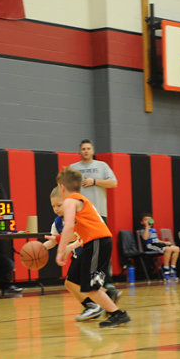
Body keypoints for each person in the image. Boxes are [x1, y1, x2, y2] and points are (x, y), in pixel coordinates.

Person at [55, 168, 130, 328]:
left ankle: (117, 314)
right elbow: (77, 231)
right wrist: (61, 241)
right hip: (95, 243)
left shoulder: (69, 201)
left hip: (97, 242)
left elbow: (68, 227)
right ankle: (107, 296)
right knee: (72, 281)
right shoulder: (80, 200)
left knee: (90, 286)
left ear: (62, 187)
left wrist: (60, 251)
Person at [68, 139, 120, 295]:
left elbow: (114, 183)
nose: (86, 151)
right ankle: (83, 279)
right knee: (82, 248)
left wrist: (95, 181)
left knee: (102, 250)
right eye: (83, 148)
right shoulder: (73, 168)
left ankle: (107, 280)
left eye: (88, 148)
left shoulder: (102, 166)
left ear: (92, 151)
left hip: (99, 214)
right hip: (80, 216)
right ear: (79, 151)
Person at [42, 187, 100, 320]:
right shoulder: (57, 222)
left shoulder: (78, 216)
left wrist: (70, 246)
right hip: (78, 255)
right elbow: (54, 240)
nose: (56, 209)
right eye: (53, 206)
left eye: (59, 205)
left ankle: (96, 306)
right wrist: (41, 248)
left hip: (90, 251)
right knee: (71, 284)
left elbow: (84, 235)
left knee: (85, 284)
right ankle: (98, 303)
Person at [138, 212, 180, 280]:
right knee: (168, 249)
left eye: (149, 219)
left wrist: (164, 242)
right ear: (142, 222)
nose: (148, 221)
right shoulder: (143, 230)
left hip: (157, 244)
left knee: (176, 249)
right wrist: (147, 227)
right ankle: (166, 270)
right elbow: (145, 238)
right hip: (150, 245)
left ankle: (172, 269)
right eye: (146, 220)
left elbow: (156, 240)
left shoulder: (153, 230)